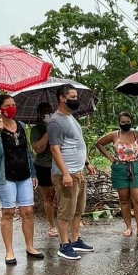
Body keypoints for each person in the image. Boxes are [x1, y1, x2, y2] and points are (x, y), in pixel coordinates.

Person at [0, 94, 44, 265]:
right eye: (8, 105)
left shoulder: (21, 125)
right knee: (8, 213)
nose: (12, 107)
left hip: (24, 174)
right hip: (6, 176)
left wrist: (33, 173)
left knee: (28, 212)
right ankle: (9, 251)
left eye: (13, 104)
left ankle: (30, 246)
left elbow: (26, 152)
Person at [47, 84, 97, 260]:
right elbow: (55, 149)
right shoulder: (55, 121)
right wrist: (66, 173)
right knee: (65, 211)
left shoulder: (71, 118)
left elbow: (77, 143)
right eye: (73, 97)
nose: (76, 100)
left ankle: (75, 240)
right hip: (65, 174)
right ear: (62, 98)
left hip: (79, 171)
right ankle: (64, 245)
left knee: (77, 209)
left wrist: (87, 163)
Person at [95, 112, 138, 239]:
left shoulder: (137, 135)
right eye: (123, 122)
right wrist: (111, 158)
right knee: (124, 200)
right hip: (120, 168)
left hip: (136, 168)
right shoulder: (115, 135)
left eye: (128, 122)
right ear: (119, 122)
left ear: (131, 121)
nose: (125, 124)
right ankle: (128, 227)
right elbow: (99, 143)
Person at [30, 102, 58, 237]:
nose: (48, 114)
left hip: (59, 165)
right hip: (43, 166)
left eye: (50, 111)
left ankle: (70, 221)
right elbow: (38, 149)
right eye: (45, 112)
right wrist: (48, 132)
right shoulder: (36, 130)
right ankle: (52, 225)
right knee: (49, 196)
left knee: (65, 195)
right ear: (40, 115)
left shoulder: (59, 126)